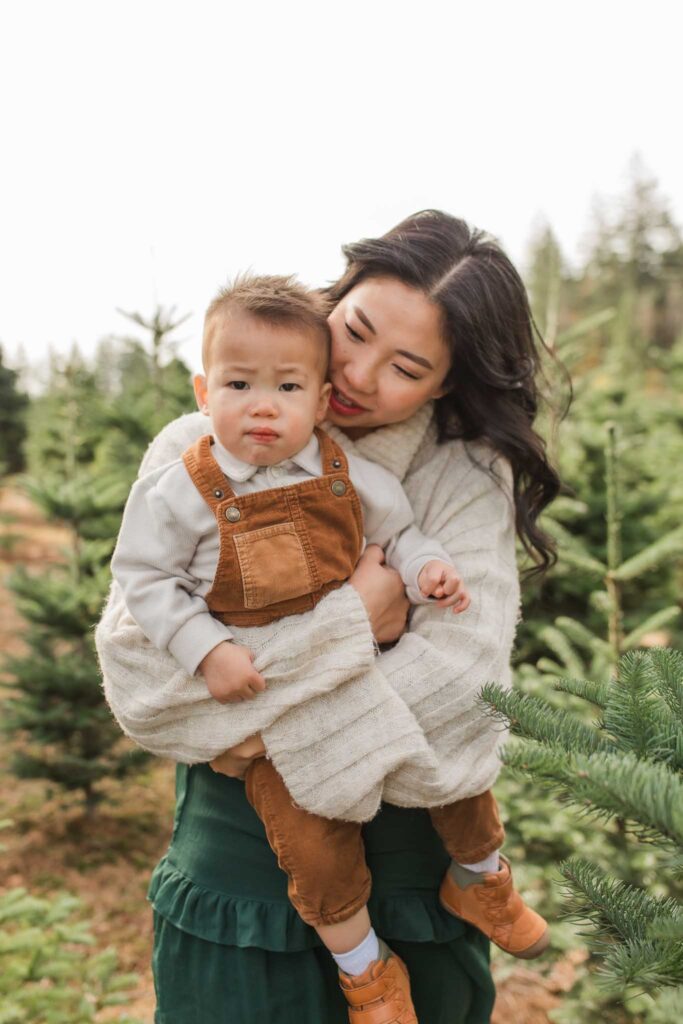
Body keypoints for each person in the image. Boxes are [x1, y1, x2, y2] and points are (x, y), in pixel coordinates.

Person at [96, 210, 562, 1024]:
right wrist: (357, 620)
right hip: (235, 879)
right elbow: (139, 679)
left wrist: (250, 730)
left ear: (444, 385)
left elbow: (461, 679)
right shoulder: (194, 450)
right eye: (353, 330)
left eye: (405, 366)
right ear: (334, 295)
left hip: (412, 881)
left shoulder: (459, 476)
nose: (355, 373)